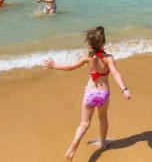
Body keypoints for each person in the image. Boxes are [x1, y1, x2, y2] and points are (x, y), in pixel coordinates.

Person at [43, 27, 131, 161]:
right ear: (103, 42)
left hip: (90, 94)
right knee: (102, 118)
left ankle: (73, 146)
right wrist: (124, 89)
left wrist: (53, 65)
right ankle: (102, 143)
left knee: (84, 124)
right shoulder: (108, 58)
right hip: (103, 95)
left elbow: (70, 67)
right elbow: (115, 73)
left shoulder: (87, 58)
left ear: (89, 44)